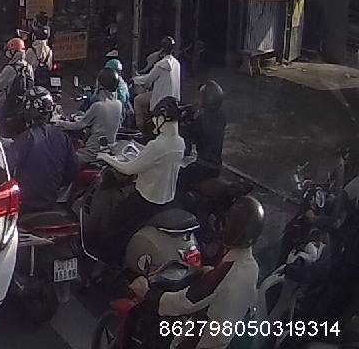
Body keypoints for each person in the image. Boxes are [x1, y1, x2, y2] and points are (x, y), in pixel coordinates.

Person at [129, 195, 264, 349]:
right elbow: (227, 290)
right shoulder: (251, 267)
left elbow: (181, 302)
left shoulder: (222, 275)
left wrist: (147, 294)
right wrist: (210, 272)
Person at [97, 97, 187, 265]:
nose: (153, 121)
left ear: (162, 118)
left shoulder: (157, 145)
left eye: (155, 117)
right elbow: (155, 159)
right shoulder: (179, 143)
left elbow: (128, 169)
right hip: (168, 200)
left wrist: (106, 157)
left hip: (146, 200)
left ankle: (107, 263)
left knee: (114, 226)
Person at [6, 87, 79, 213]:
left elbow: (6, 169)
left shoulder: (25, 138)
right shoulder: (63, 137)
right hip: (53, 203)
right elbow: (73, 171)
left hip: (25, 205)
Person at [55, 67, 123, 163]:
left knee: (61, 161)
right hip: (108, 151)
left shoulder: (98, 106)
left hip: (92, 153)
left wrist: (59, 122)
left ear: (100, 85)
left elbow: (78, 125)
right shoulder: (119, 104)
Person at [0, 37, 35, 136]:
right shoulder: (29, 67)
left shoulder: (10, 68)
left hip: (6, 103)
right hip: (22, 103)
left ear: (13, 51)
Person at [180, 81, 227, 187]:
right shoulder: (221, 117)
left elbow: (187, 147)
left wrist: (185, 126)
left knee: (178, 179)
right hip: (216, 165)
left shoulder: (201, 120)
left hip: (203, 166)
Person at [133, 36, 182, 133]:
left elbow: (148, 79)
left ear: (162, 49)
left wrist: (134, 79)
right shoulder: (176, 63)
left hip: (161, 99)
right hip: (173, 99)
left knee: (138, 100)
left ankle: (140, 129)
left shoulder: (161, 64)